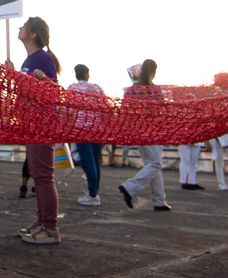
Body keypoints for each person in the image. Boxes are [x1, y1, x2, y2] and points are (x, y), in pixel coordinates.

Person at [14, 17, 62, 245]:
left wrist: (43, 81)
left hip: (42, 123)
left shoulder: (43, 58)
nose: (20, 28)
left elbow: (54, 92)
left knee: (43, 176)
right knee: (37, 173)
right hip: (32, 123)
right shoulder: (31, 58)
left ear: (33, 34)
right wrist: (12, 73)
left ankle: (50, 228)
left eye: (24, 26)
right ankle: (42, 222)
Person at [118, 60, 172, 212]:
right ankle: (129, 187)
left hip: (138, 132)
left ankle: (159, 201)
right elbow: (162, 112)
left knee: (151, 165)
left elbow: (124, 111)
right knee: (155, 164)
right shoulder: (155, 90)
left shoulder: (130, 90)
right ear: (154, 72)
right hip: (153, 132)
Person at [67, 64, 106, 206]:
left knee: (87, 162)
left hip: (81, 130)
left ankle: (92, 195)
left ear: (76, 74)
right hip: (98, 129)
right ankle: (94, 192)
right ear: (87, 74)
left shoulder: (72, 88)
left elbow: (67, 110)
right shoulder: (97, 88)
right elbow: (105, 108)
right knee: (95, 162)